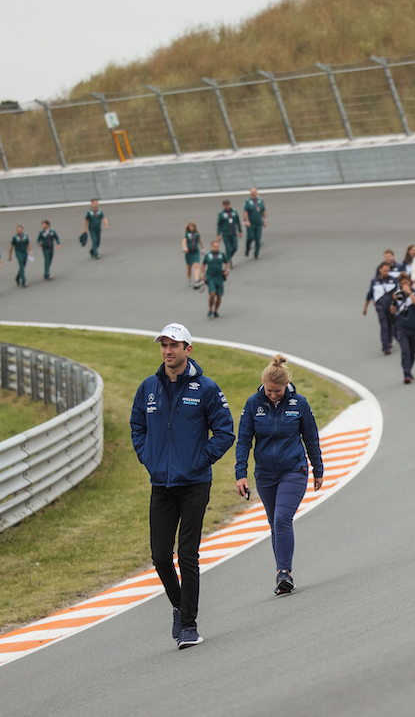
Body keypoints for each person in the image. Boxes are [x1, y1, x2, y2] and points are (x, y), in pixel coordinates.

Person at [130, 323, 235, 648]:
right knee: (161, 556)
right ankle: (179, 606)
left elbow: (226, 432)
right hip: (161, 483)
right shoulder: (148, 387)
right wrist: (149, 458)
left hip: (194, 484)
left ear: (188, 349)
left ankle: (189, 625)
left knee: (187, 554)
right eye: (163, 345)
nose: (167, 350)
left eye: (174, 345)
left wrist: (199, 460)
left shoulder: (206, 389)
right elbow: (137, 426)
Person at [235, 354, 323, 596]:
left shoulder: (299, 404)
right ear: (263, 384)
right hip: (264, 475)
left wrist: (318, 469)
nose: (272, 395)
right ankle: (283, 573)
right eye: (269, 390)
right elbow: (243, 441)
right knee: (274, 524)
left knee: (282, 519)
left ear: (287, 386)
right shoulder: (253, 404)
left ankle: (284, 572)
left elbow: (311, 438)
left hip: (294, 470)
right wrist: (240, 474)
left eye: (278, 391)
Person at [391, 274, 415, 383]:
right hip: (401, 327)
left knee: (412, 352)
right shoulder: (398, 295)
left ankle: (409, 369)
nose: (405, 285)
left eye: (406, 282)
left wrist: (409, 292)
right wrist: (394, 301)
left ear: (409, 282)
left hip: (413, 327)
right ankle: (406, 374)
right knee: (405, 351)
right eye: (403, 283)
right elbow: (392, 311)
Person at [362, 261, 398, 354]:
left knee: (391, 324)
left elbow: (398, 293)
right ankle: (385, 347)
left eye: (388, 271)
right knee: (384, 326)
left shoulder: (393, 280)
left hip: (391, 307)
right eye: (385, 271)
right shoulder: (374, 281)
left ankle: (389, 341)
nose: (386, 273)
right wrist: (365, 307)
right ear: (380, 270)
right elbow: (369, 295)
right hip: (380, 308)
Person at [201, 239, 230, 318]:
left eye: (217, 246)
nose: (216, 248)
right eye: (214, 246)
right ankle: (210, 309)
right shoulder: (208, 255)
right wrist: (202, 274)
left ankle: (216, 310)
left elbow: (227, 262)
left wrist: (227, 270)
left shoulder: (221, 255)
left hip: (219, 277)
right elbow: (203, 264)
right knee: (212, 293)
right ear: (211, 247)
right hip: (211, 276)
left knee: (219, 295)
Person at [242, 188, 267, 258]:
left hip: (259, 223)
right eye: (252, 193)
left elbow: (263, 211)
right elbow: (245, 212)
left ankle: (256, 254)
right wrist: (247, 221)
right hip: (251, 223)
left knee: (258, 238)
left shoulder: (260, 201)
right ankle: (248, 248)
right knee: (250, 237)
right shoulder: (247, 202)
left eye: (255, 193)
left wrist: (265, 220)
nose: (254, 194)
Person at [182, 221, 202, 287]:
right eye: (190, 226)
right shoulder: (187, 234)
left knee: (196, 265)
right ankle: (189, 279)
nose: (191, 228)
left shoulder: (197, 234)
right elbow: (184, 241)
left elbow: (200, 242)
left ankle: (196, 280)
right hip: (189, 252)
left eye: (192, 226)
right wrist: (185, 247)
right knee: (189, 267)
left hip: (196, 252)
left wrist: (202, 249)